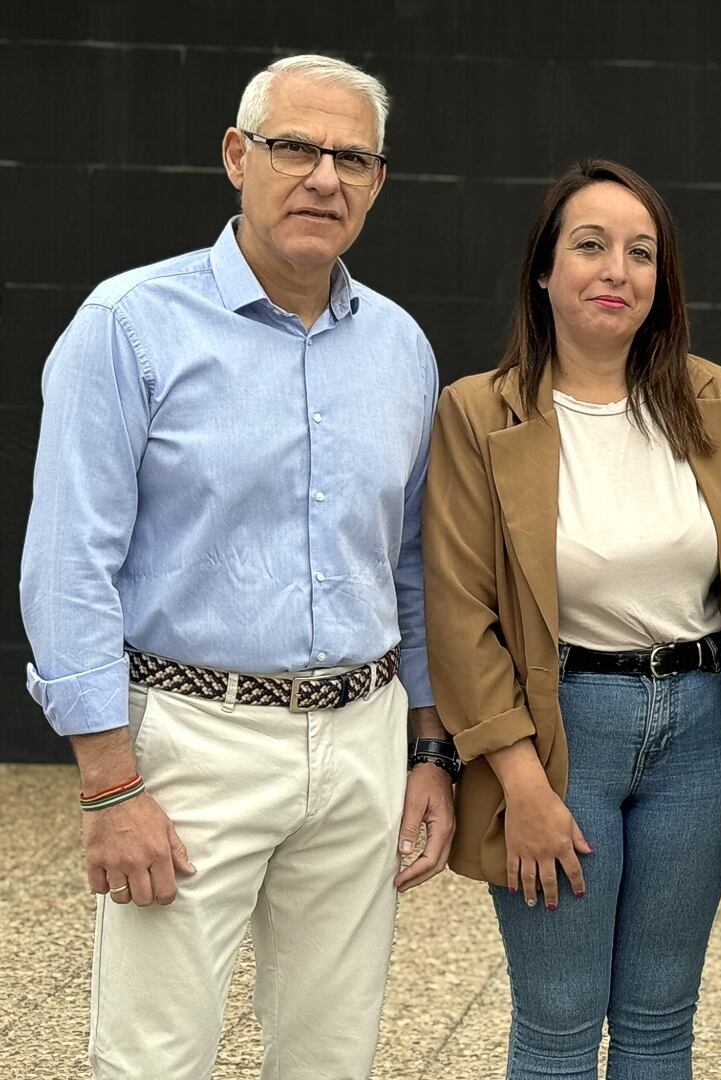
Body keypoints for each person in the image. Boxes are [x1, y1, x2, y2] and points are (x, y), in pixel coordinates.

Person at [19, 54, 453, 1078]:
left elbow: (407, 560)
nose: (323, 178)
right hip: (189, 743)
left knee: (330, 1057)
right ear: (236, 156)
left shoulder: (400, 347)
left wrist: (428, 749)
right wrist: (106, 786)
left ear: (378, 182)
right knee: (155, 1058)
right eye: (296, 147)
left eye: (352, 158)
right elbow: (68, 561)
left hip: (360, 741)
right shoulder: (127, 327)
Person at [424, 158, 721, 1080]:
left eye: (641, 253)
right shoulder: (478, 412)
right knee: (556, 1021)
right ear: (544, 271)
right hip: (560, 738)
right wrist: (520, 785)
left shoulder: (720, 400)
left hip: (703, 738)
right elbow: (460, 612)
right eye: (589, 246)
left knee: (661, 1021)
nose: (616, 271)